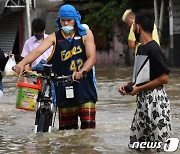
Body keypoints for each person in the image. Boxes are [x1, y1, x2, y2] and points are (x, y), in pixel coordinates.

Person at [13, 4, 97, 130]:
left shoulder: (86, 34)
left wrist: (82, 71)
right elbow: (37, 52)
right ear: (59, 20)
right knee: (67, 132)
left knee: (88, 130)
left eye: (69, 20)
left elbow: (92, 57)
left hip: (85, 86)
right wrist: (21, 64)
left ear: (75, 20)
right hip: (62, 87)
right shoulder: (54, 37)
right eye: (63, 20)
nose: (66, 23)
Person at [119, 9, 171, 151]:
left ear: (138, 27)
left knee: (159, 147)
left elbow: (164, 78)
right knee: (137, 144)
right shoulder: (141, 49)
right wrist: (129, 86)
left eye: (133, 26)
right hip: (142, 102)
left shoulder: (154, 49)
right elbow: (142, 77)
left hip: (156, 103)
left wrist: (139, 88)